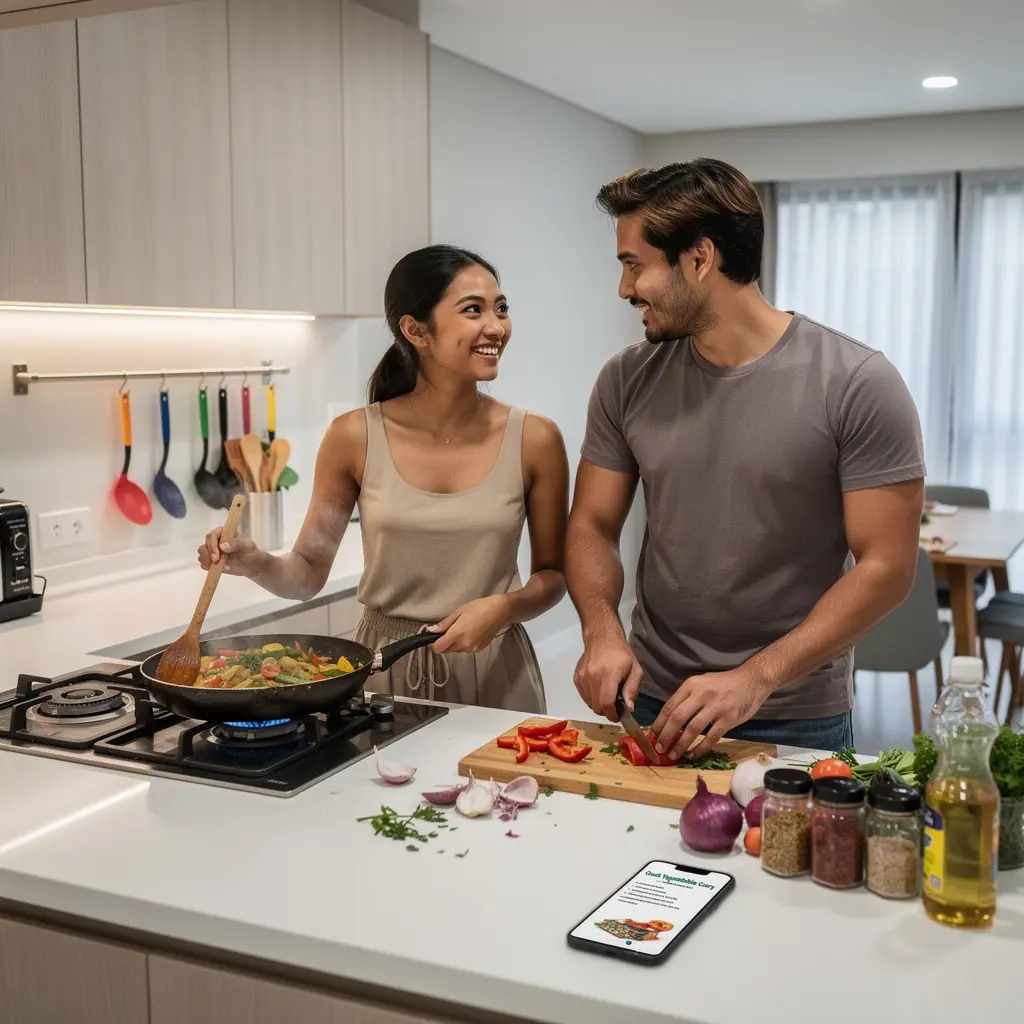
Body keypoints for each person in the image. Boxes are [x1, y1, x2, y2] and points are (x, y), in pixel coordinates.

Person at [566, 159, 925, 757]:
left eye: (634, 266)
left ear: (699, 259)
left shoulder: (858, 382)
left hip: (794, 713)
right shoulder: (626, 379)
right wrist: (600, 628)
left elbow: (886, 567)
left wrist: (754, 679)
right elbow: (592, 524)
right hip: (653, 702)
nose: (625, 290)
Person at [199, 244, 569, 711]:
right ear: (416, 330)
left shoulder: (535, 439)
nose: (496, 327)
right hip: (385, 671)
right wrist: (255, 562)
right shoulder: (354, 437)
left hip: (495, 666)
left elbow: (552, 576)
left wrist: (504, 608)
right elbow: (308, 573)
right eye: (473, 310)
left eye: (501, 309)